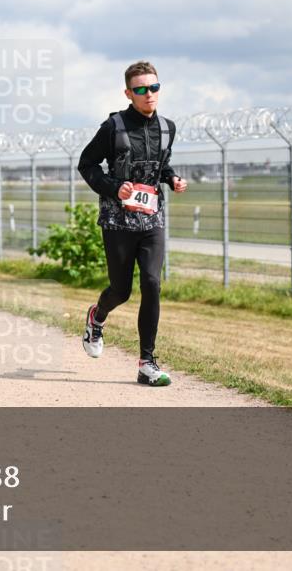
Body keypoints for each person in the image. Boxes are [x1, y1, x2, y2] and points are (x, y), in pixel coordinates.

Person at [77, 61, 188, 386]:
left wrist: (172, 179)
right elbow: (87, 164)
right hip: (118, 221)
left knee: (152, 283)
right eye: (141, 89)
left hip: (152, 219)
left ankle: (147, 363)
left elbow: (161, 165)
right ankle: (97, 317)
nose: (148, 94)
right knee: (121, 291)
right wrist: (114, 187)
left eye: (153, 87)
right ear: (129, 93)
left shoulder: (167, 127)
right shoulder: (114, 126)